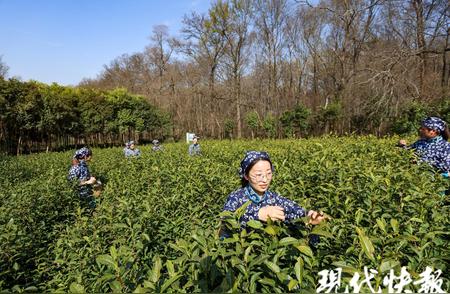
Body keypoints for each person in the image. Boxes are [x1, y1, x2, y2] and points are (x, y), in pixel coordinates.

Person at [222, 151, 326, 238]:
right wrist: (257, 214)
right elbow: (226, 221)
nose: (265, 179)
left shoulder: (274, 198)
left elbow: (293, 209)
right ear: (246, 176)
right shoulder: (236, 197)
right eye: (258, 175)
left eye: (269, 173)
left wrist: (309, 216)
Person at [68, 147, 98, 211]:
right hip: (80, 196)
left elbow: (84, 177)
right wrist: (87, 182)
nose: (91, 158)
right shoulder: (75, 168)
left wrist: (91, 178)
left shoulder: (84, 166)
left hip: (88, 193)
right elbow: (72, 183)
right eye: (90, 156)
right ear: (85, 156)